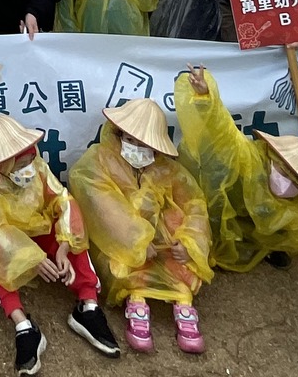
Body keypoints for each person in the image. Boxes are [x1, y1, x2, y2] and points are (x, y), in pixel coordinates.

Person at [0, 113, 119, 375]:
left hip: (39, 228)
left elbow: (62, 200)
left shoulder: (36, 167)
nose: (28, 168)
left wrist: (64, 245)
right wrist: (32, 259)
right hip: (9, 242)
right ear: (1, 165)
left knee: (72, 228)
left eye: (29, 160)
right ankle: (23, 326)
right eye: (19, 164)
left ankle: (88, 305)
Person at [67, 98, 211, 355]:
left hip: (164, 246)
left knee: (176, 227)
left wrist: (189, 242)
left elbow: (194, 205)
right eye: (129, 140)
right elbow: (101, 205)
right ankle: (137, 300)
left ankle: (183, 302)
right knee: (126, 265)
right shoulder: (98, 160)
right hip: (121, 243)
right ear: (118, 134)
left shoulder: (168, 170)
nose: (135, 147)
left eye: (143, 144)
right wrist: (136, 241)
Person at [173, 67, 298, 271]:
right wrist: (205, 97)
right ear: (272, 157)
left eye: (295, 181)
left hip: (250, 236)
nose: (286, 183)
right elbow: (223, 130)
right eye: (284, 171)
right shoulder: (251, 159)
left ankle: (267, 248)